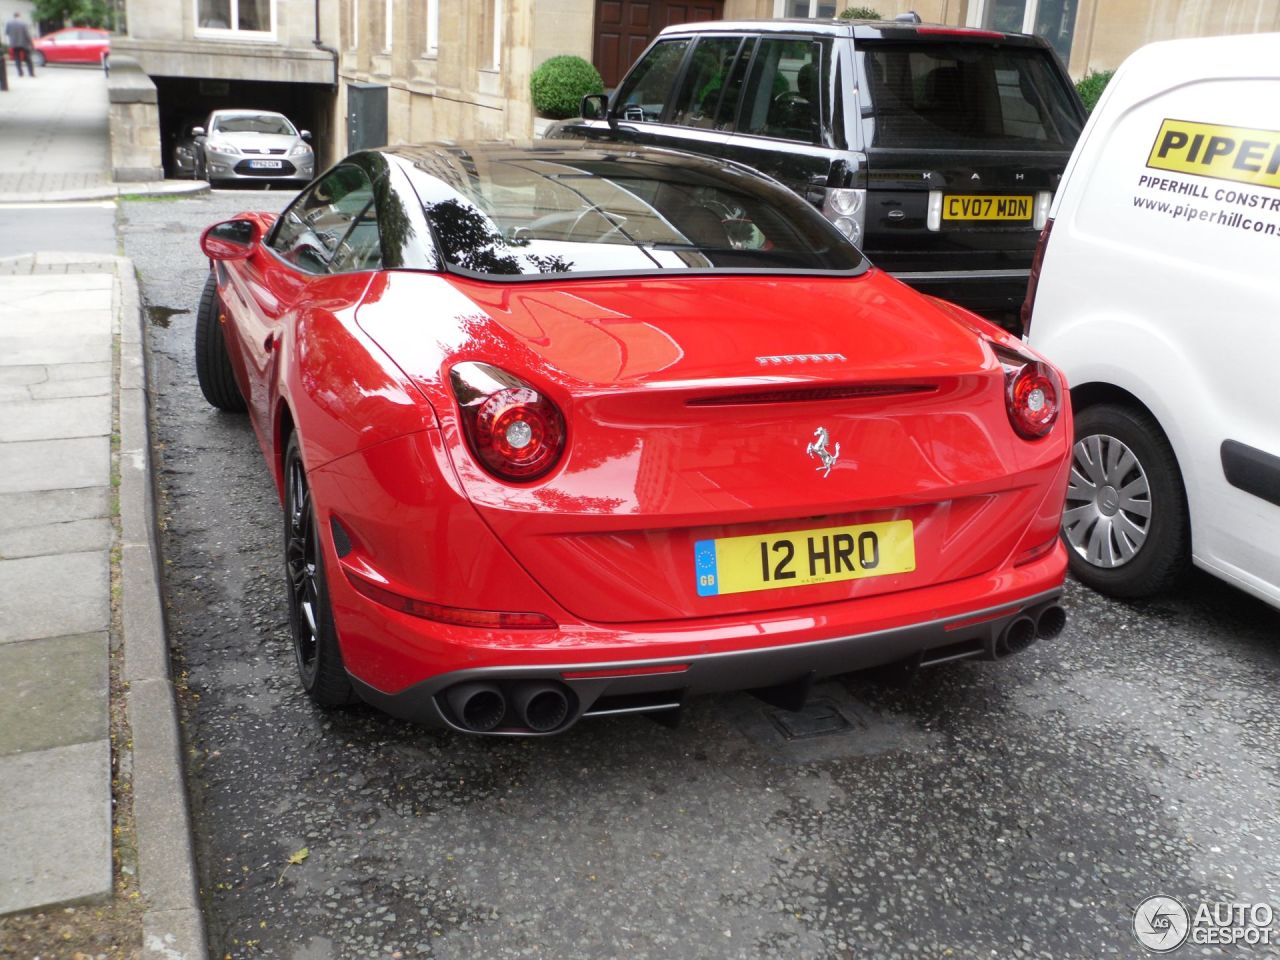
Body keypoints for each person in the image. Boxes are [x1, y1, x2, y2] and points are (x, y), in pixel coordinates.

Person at [4, 11, 34, 77]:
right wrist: (31, 43)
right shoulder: (24, 23)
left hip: (14, 43)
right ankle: (31, 73)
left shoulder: (9, 23)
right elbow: (27, 34)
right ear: (19, 16)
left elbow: (6, 33)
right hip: (24, 43)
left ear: (14, 16)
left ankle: (20, 73)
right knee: (28, 58)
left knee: (17, 58)